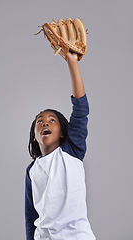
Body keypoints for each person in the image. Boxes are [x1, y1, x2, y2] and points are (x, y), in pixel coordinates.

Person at [25, 52, 96, 240]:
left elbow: (81, 110)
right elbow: (31, 215)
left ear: (63, 132)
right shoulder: (32, 170)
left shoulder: (71, 151)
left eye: (51, 120)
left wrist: (72, 63)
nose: (45, 123)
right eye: (39, 122)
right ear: (34, 136)